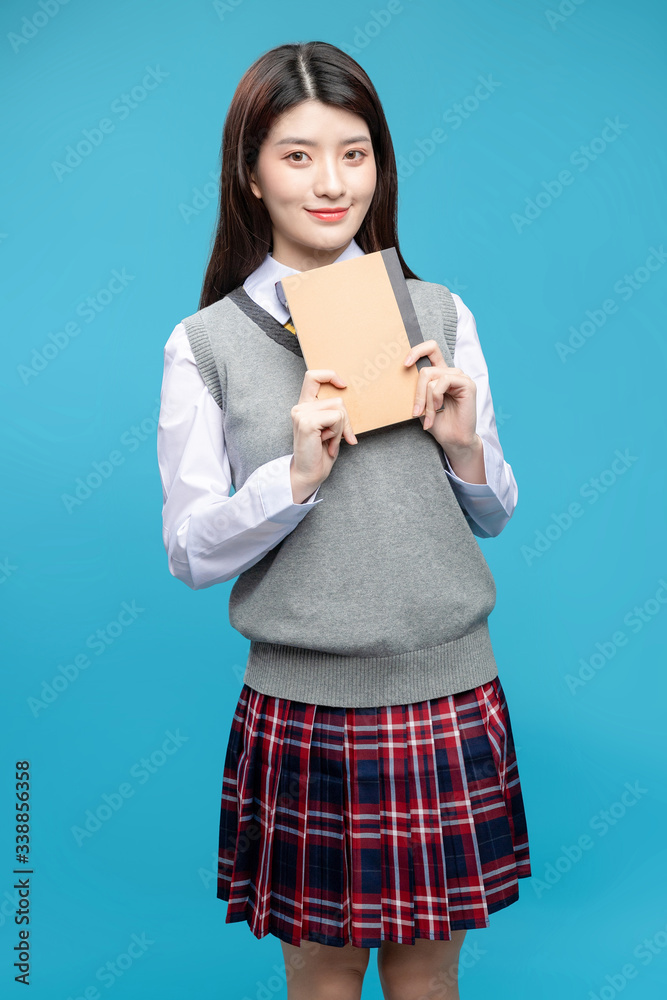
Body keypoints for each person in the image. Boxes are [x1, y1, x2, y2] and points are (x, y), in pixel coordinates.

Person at [158, 40, 531, 1000]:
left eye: (354, 153)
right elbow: (190, 551)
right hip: (307, 706)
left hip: (448, 689)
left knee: (430, 977)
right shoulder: (206, 344)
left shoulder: (439, 313)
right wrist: (294, 475)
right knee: (321, 980)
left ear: (380, 162)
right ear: (249, 171)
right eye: (297, 155)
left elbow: (494, 513)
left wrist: (462, 449)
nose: (332, 183)